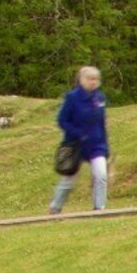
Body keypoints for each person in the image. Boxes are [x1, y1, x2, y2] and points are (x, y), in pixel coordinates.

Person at [48, 65, 111, 214]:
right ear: (82, 80)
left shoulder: (99, 98)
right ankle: (55, 207)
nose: (93, 82)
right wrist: (77, 133)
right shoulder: (72, 97)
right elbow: (62, 120)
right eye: (90, 79)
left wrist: (105, 145)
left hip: (96, 144)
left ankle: (99, 207)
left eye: (96, 79)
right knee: (69, 180)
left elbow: (101, 122)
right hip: (76, 144)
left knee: (101, 175)